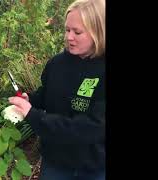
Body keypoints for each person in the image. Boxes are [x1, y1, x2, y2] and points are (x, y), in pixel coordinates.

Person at [8, 0, 105, 179]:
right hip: (55, 163)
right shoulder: (57, 63)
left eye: (77, 32)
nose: (69, 37)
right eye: (67, 30)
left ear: (98, 32)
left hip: (94, 167)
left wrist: (35, 116)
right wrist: (30, 100)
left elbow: (91, 129)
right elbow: (48, 94)